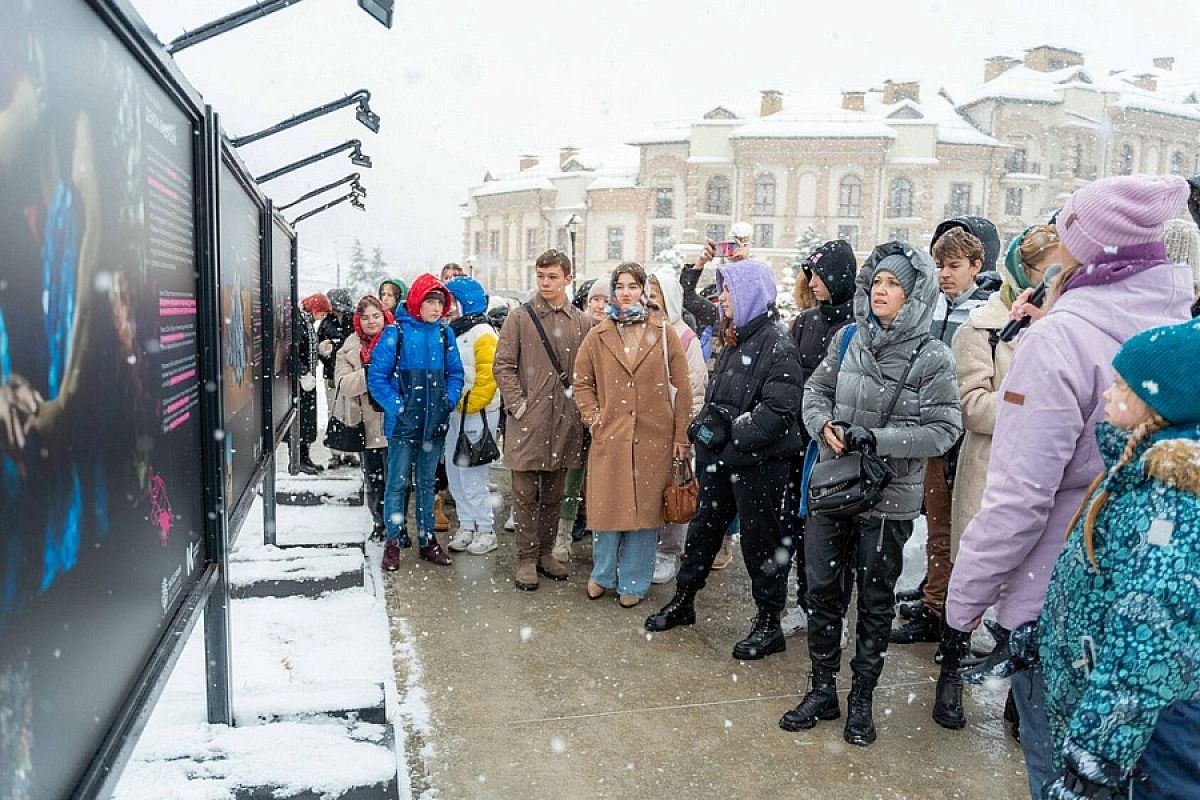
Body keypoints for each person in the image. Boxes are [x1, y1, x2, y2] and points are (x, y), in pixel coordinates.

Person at [945, 175, 1195, 798]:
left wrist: (963, 600)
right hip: (1156, 618)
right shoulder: (1175, 320)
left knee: (1061, 774)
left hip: (1061, 603)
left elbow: (1020, 497)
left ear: (1084, 243)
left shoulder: (1059, 337)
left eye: (1064, 231)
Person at [779, 241, 962, 747]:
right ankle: (822, 690)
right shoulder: (846, 340)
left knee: (875, 602)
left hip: (888, 499)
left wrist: (878, 439)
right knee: (821, 592)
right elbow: (813, 394)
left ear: (914, 294)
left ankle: (862, 699)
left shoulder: (933, 356)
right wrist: (825, 427)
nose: (882, 291)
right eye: (877, 281)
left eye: (894, 284)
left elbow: (945, 430)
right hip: (836, 488)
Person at [1039, 320, 1200, 800]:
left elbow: (1150, 639)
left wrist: (1098, 754)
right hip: (1126, 720)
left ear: (1161, 404)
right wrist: (1054, 635)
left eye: (1121, 387)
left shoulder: (1169, 503)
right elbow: (1108, 587)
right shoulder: (1137, 472)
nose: (1107, 396)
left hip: (1146, 739)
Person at [923, 225, 1061, 735]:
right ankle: (951, 679)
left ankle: (1017, 702)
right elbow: (974, 407)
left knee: (1030, 596)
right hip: (989, 473)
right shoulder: (981, 328)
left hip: (1043, 475)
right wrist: (1040, 406)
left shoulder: (1064, 327)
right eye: (1049, 269)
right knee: (970, 580)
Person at [644, 260, 804, 662]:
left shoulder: (777, 343)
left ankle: (769, 622)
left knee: (760, 543)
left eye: (729, 291)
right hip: (724, 461)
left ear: (750, 294)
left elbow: (778, 410)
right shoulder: (737, 339)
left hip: (760, 466)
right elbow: (720, 397)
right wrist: (704, 427)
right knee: (703, 531)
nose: (723, 299)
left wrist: (731, 438)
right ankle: (685, 599)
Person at [890, 225, 993, 646]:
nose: (945, 274)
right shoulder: (932, 307)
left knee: (966, 527)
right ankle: (936, 605)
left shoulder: (986, 316)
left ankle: (958, 615)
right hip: (933, 433)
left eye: (954, 266)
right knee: (937, 525)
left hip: (970, 437)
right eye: (939, 266)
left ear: (976, 266)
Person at [573, 263, 691, 606]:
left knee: (645, 515)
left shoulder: (664, 332)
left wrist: (680, 436)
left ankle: (634, 583)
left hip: (654, 437)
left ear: (644, 291)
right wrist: (595, 419)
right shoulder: (599, 334)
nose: (626, 293)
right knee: (606, 510)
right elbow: (582, 382)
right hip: (610, 436)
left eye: (633, 286)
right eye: (620, 286)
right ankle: (602, 574)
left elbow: (682, 385)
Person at [493, 249, 591, 591]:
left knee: (554, 494)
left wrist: (581, 409)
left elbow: (586, 372)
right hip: (527, 422)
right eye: (540, 276)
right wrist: (519, 406)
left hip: (565, 422)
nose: (545, 283)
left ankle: (546, 554)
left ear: (568, 279)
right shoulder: (520, 318)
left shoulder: (582, 322)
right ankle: (525, 558)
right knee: (523, 494)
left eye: (552, 277)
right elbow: (503, 365)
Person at [779, 240, 857, 637]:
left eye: (820, 274)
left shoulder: (859, 326)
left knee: (836, 535)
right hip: (802, 445)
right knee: (802, 527)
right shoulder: (805, 322)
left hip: (837, 447)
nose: (812, 282)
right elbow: (795, 379)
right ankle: (805, 602)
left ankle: (835, 612)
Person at [367, 274, 464, 571]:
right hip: (402, 426)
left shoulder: (444, 336)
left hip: (432, 425)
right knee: (396, 483)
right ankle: (393, 541)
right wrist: (398, 406)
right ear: (417, 302)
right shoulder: (396, 333)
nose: (436, 308)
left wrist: (447, 401)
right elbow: (377, 378)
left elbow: (456, 374)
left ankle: (427, 540)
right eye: (430, 301)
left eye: (440, 302)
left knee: (426, 483)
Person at [677, 221, 755, 569]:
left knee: (734, 477)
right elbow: (687, 297)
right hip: (711, 407)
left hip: (740, 411)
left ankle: (726, 539)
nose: (724, 297)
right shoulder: (717, 316)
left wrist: (745, 264)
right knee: (709, 475)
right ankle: (708, 537)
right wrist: (699, 265)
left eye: (730, 289)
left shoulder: (759, 319)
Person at [646, 267, 708, 584]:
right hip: (645, 430)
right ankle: (644, 548)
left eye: (654, 297)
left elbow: (695, 392)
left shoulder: (685, 338)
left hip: (672, 432)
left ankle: (669, 551)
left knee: (674, 492)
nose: (648, 303)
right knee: (647, 491)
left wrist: (683, 433)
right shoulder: (642, 332)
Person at [443, 276, 502, 555]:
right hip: (457, 413)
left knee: (473, 475)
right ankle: (467, 525)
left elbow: (489, 377)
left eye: (450, 302)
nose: (446, 308)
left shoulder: (483, 333)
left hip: (475, 414)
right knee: (455, 473)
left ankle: (486, 529)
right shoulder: (453, 330)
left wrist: (467, 404)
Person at [555, 278, 608, 561]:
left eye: (605, 300)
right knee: (571, 478)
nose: (599, 306)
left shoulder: (620, 332)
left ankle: (604, 542)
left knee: (604, 481)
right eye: (594, 300)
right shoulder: (578, 331)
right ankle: (562, 533)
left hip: (608, 418)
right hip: (577, 415)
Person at [334, 295, 394, 540]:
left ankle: (396, 526)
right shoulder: (349, 347)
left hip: (392, 422)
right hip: (365, 426)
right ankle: (379, 523)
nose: (371, 322)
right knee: (374, 479)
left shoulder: (396, 339)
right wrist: (371, 374)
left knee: (397, 480)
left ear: (384, 316)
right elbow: (343, 383)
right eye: (365, 317)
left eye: (376, 316)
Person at [318, 288, 358, 468]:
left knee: (351, 413)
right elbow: (320, 350)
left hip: (351, 375)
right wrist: (324, 353)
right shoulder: (326, 324)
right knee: (335, 413)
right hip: (332, 375)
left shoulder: (354, 322)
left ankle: (349, 452)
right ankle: (335, 452)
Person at [291, 293, 330, 475]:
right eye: (322, 313)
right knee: (301, 419)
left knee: (307, 419)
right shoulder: (299, 322)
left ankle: (305, 456)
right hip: (301, 381)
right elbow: (292, 351)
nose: (323, 318)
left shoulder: (307, 323)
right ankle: (298, 459)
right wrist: (303, 373)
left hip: (309, 380)